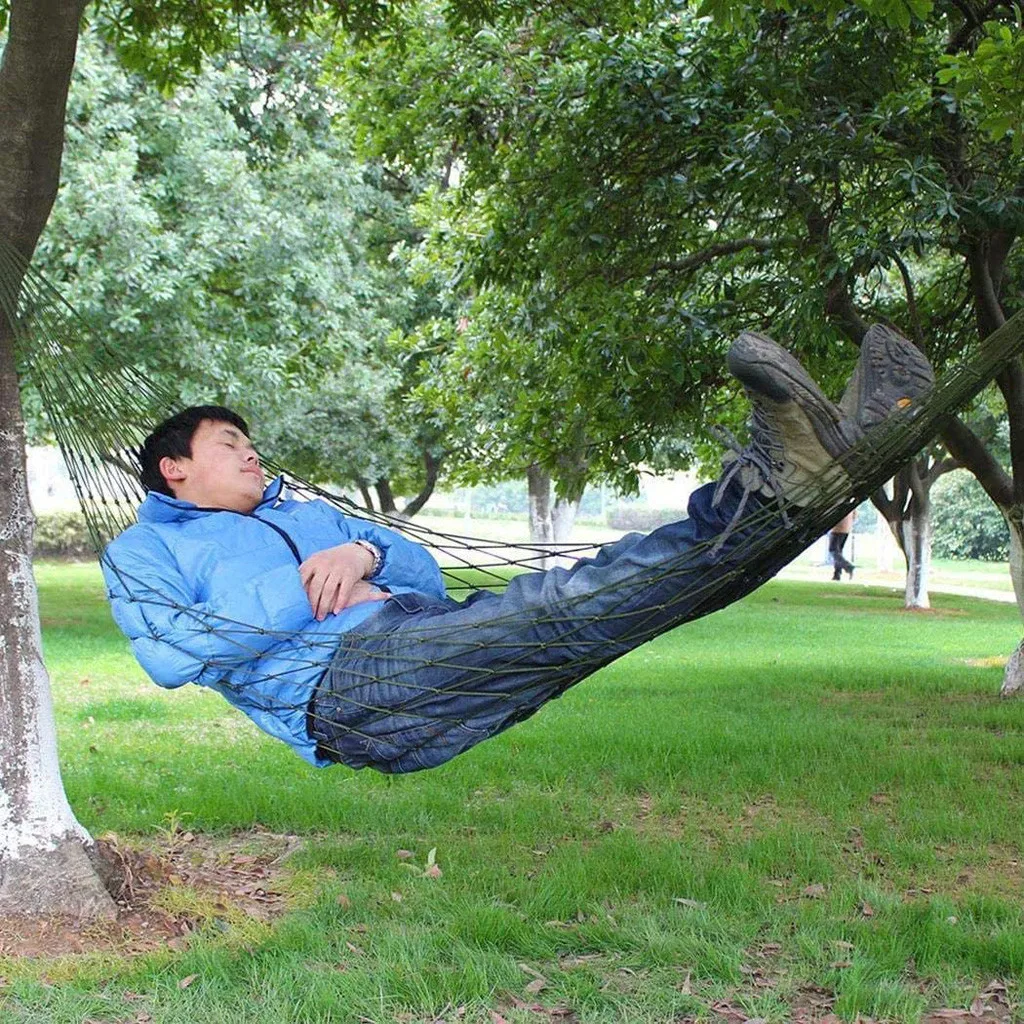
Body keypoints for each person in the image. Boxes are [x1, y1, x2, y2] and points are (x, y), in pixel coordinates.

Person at [102, 328, 933, 773]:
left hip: (416, 635)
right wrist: (306, 587)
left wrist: (361, 559)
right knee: (569, 605)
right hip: (346, 694)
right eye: (230, 444)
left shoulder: (311, 512)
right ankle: (778, 490)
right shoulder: (142, 551)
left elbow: (421, 571)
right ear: (176, 468)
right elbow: (171, 653)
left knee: (620, 608)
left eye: (251, 443)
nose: (251, 454)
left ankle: (808, 490)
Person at [828, 510, 856, 580]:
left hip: (837, 529)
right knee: (838, 552)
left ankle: (848, 566)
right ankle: (837, 574)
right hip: (846, 529)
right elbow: (855, 515)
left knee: (833, 550)